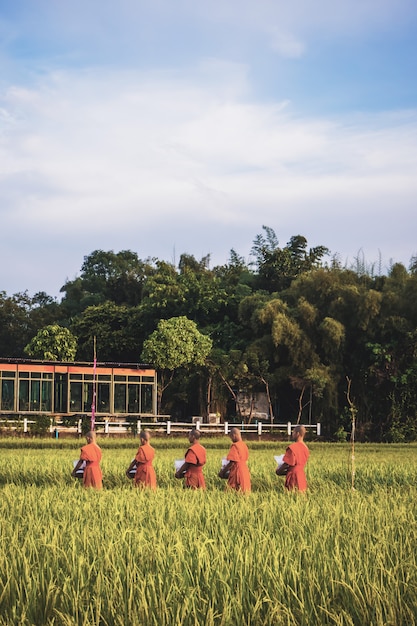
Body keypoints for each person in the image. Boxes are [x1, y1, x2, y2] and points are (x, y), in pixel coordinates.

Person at [276, 424, 310, 492]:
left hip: (293, 477)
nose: (292, 434)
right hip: (301, 475)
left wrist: (278, 471)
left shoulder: (293, 447)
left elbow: (287, 463)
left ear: (297, 434)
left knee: (292, 495)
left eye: (293, 432)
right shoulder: (306, 448)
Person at [218, 427, 251, 493]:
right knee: (244, 491)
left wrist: (223, 471)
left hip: (237, 471)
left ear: (234, 435)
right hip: (245, 471)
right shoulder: (244, 445)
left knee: (232, 491)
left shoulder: (235, 445)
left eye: (231, 437)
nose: (231, 439)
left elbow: (232, 462)